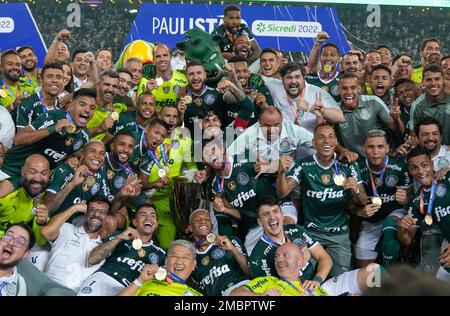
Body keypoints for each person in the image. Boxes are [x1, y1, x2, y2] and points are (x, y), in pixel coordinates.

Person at [276, 122, 367, 276]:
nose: (326, 141)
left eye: (331, 137)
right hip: (311, 233)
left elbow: (363, 201)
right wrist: (280, 173)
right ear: (313, 143)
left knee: (341, 282)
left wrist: (355, 190)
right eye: (321, 137)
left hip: (339, 234)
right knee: (302, 277)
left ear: (336, 142)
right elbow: (282, 193)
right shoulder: (304, 165)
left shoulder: (348, 165)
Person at [198, 139, 296, 254]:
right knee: (252, 257)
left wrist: (268, 166)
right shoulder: (214, 186)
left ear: (224, 150)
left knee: (286, 230)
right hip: (254, 225)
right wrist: (224, 209)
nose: (211, 155)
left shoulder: (246, 156)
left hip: (278, 207)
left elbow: (284, 163)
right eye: (206, 154)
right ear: (204, 161)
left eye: (214, 150)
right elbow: (240, 215)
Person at [1, 88, 96, 179]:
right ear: (71, 106)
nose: (87, 110)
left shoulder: (84, 136)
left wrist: (70, 160)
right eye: (82, 104)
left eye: (92, 108)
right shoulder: (54, 116)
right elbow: (18, 139)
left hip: (34, 182)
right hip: (9, 171)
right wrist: (53, 129)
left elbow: (62, 154)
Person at [139, 107, 196, 249]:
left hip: (166, 200)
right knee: (139, 242)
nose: (171, 120)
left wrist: (195, 174)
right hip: (142, 197)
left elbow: (191, 166)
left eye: (174, 116)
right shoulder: (150, 138)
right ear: (159, 115)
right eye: (167, 115)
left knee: (165, 246)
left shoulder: (185, 140)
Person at [77, 204, 166, 296]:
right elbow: (93, 259)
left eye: (153, 215)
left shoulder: (161, 253)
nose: (148, 218)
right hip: (104, 280)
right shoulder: (120, 235)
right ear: (135, 222)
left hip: (131, 289)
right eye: (143, 215)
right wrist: (119, 238)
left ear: (156, 224)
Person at [354, 130, 411, 268]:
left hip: (394, 215)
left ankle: (389, 273)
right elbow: (349, 205)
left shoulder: (400, 167)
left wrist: (405, 198)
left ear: (387, 148)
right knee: (364, 270)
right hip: (371, 221)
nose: (375, 151)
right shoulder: (355, 167)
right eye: (371, 147)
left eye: (380, 147)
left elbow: (410, 199)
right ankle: (376, 284)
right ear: (363, 148)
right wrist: (360, 212)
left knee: (389, 226)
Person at [232, 243, 381, 296]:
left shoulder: (312, 285)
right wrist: (261, 297)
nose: (279, 260)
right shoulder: (268, 281)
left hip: (319, 290)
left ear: (300, 261)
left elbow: (325, 260)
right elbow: (235, 295)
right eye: (276, 257)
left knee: (375, 271)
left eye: (285, 255)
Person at [249, 196, 333, 290]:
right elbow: (277, 291)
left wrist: (317, 280)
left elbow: (325, 259)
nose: (272, 217)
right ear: (260, 222)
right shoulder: (257, 258)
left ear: (282, 215)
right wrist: (299, 265)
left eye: (275, 211)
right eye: (266, 214)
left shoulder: (296, 230)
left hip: (317, 285)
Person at [398, 148, 450, 283]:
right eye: (414, 168)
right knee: (438, 280)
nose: (421, 171)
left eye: (424, 165)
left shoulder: (448, 177)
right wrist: (402, 229)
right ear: (410, 171)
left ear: (432, 164)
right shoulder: (416, 201)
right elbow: (407, 240)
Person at [40, 197, 109, 292]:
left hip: (72, 293)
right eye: (92, 209)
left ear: (106, 218)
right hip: (49, 284)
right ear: (85, 212)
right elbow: (46, 232)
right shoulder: (68, 229)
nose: (96, 214)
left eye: (102, 211)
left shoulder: (104, 250)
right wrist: (74, 208)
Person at [228, 106, 314, 175]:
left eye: (276, 125)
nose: (272, 130)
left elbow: (318, 143)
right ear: (259, 123)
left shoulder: (294, 131)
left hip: (288, 175)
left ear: (282, 122)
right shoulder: (250, 134)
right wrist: (249, 162)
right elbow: (228, 157)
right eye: (267, 125)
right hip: (260, 176)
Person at [335, 72, 404, 157]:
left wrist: (396, 118)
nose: (349, 92)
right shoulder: (335, 110)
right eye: (344, 88)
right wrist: (343, 151)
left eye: (353, 88)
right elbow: (330, 139)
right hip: (353, 162)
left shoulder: (374, 102)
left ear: (359, 89)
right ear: (339, 90)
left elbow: (399, 131)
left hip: (379, 158)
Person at [262, 63, 343, 133]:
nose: (293, 81)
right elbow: (253, 75)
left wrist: (310, 108)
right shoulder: (276, 86)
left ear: (303, 78)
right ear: (282, 79)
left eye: (297, 77)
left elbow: (340, 117)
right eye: (289, 77)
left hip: (311, 147)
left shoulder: (317, 93)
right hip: (285, 147)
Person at [179, 61, 253, 136]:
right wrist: (180, 114)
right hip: (196, 144)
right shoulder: (181, 99)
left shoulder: (218, 93)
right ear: (186, 77)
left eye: (199, 73)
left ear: (205, 75)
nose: (195, 77)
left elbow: (245, 105)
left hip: (222, 142)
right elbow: (177, 128)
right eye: (191, 74)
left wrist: (232, 81)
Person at [188, 209, 251, 296]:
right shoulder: (189, 257)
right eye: (197, 220)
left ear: (212, 226)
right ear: (190, 228)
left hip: (240, 287)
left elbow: (249, 272)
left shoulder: (229, 240)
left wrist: (233, 249)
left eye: (207, 219)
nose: (203, 221)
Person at [118, 239, 202, 296]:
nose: (179, 262)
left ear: (194, 264)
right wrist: (140, 280)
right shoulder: (145, 281)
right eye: (174, 256)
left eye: (185, 257)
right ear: (166, 261)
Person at [0, 154, 50, 239]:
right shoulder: (6, 192)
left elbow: (40, 241)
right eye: (32, 172)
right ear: (23, 171)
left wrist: (40, 223)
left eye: (44, 173)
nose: (38, 178)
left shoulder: (43, 196)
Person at [138, 44, 188, 111]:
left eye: (165, 55)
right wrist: (147, 92)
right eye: (158, 56)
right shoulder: (146, 81)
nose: (162, 59)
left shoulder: (183, 79)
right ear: (153, 60)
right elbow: (139, 109)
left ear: (170, 57)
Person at [410, 64, 450, 146]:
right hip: (429, 154)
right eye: (428, 80)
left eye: (437, 79)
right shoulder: (417, 106)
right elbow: (414, 136)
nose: (433, 83)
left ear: (443, 80)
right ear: (422, 82)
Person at [227, 55, 273, 126]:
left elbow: (272, 118)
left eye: (245, 71)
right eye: (237, 72)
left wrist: (264, 106)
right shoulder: (222, 90)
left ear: (249, 73)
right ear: (228, 73)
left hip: (254, 135)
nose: (242, 75)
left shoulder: (261, 89)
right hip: (230, 134)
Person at [16, 63, 64, 129]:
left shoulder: (61, 107)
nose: (54, 80)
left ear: (63, 82)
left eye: (58, 77)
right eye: (50, 76)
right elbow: (21, 137)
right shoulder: (27, 103)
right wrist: (52, 130)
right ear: (41, 81)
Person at [87, 69, 126, 140]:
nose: (111, 89)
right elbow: (74, 136)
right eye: (107, 84)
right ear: (98, 85)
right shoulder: (86, 106)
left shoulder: (117, 108)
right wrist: (99, 129)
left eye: (114, 86)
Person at [0, 224, 35, 296]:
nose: (11, 242)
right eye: (8, 236)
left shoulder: (20, 288)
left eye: (19, 242)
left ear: (25, 254)